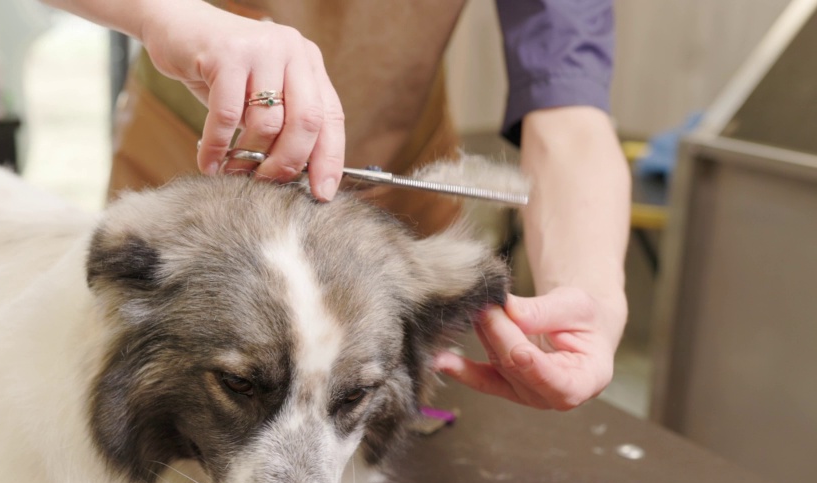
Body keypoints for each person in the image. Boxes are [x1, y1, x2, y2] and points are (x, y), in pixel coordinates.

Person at [43, 0, 630, 414]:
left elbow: (568, 109)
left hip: (395, 201)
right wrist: (167, 13)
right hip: (188, 178)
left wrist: (594, 299)